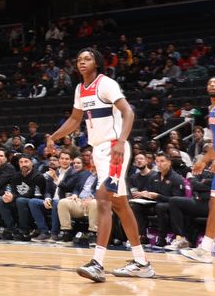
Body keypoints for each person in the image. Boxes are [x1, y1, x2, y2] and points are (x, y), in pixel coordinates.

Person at [46, 48, 156, 282]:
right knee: (121, 206)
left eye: (87, 58)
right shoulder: (79, 89)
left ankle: (97, 263)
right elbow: (75, 120)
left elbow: (129, 112)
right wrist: (53, 137)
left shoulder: (106, 84)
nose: (82, 62)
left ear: (97, 62)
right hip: (99, 151)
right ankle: (141, 262)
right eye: (78, 59)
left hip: (115, 148)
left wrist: (122, 141)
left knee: (103, 200)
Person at [181, 76, 215, 263]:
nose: (212, 84)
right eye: (209, 83)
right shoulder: (212, 109)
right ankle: (205, 250)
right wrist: (204, 159)